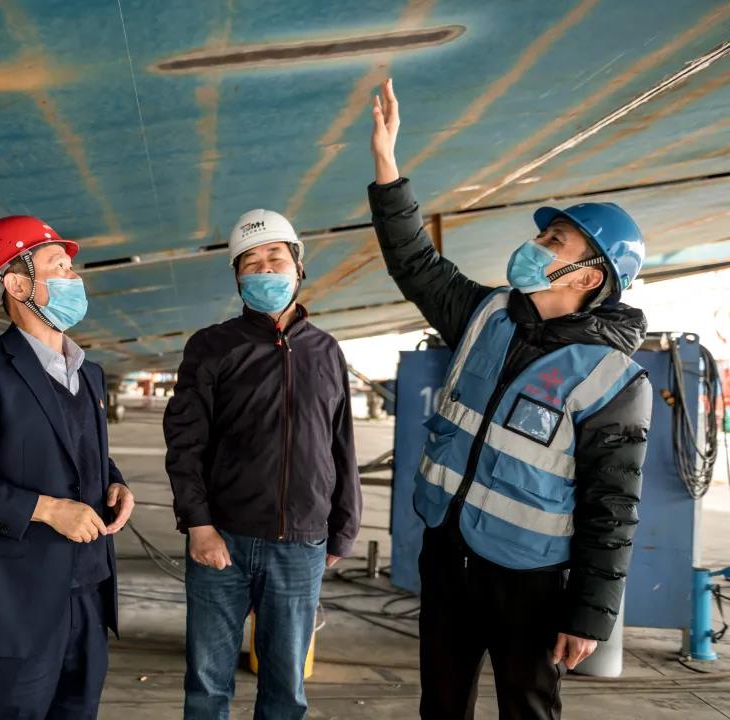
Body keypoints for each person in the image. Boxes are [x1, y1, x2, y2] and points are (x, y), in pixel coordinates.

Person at [367, 79, 652, 719]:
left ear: (588, 276)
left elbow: (612, 506)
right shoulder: (485, 314)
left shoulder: (614, 379)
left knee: (527, 710)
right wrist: (387, 167)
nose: (535, 247)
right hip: (447, 551)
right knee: (441, 705)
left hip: (531, 580)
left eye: (554, 244)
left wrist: (589, 614)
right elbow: (414, 262)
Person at [0, 215, 135, 719]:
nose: (73, 277)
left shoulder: (90, 373)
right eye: (58, 266)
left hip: (89, 594)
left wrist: (115, 483)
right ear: (18, 285)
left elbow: (81, 449)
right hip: (14, 607)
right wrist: (46, 509)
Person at [164, 208, 362, 720]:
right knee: (207, 684)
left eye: (275, 257)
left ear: (299, 266)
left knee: (285, 688)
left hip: (301, 544)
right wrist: (199, 525)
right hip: (222, 540)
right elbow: (184, 443)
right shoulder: (212, 347)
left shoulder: (326, 350)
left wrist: (342, 530)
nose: (265, 269)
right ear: (237, 278)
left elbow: (340, 444)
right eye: (250, 263)